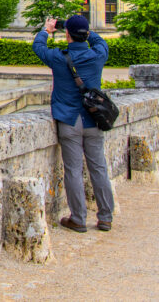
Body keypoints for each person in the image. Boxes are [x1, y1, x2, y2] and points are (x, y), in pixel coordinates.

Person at [33, 14, 114, 233]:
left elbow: (38, 47)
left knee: (73, 171)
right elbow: (100, 42)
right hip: (93, 120)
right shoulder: (97, 55)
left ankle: (78, 218)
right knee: (99, 169)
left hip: (68, 120)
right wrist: (87, 32)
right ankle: (105, 217)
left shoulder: (59, 57)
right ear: (85, 34)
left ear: (67, 34)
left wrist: (47, 30)